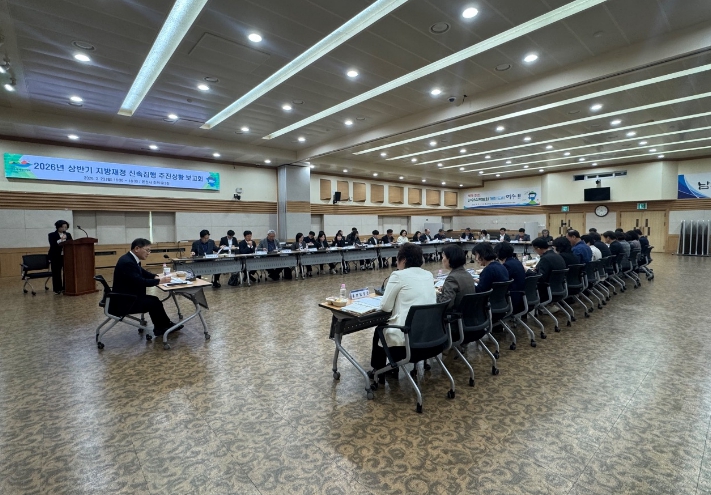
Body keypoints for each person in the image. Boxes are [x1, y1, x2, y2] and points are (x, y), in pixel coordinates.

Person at [371, 243, 436, 378]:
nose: (396, 262)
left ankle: (378, 371)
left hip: (407, 339)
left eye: (397, 259)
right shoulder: (429, 275)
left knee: (380, 329)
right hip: (429, 335)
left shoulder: (398, 275)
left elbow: (385, 307)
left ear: (404, 260)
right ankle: (391, 368)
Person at [112, 238, 180, 336]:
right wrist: (159, 281)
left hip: (128, 296)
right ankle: (161, 328)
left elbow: (142, 272)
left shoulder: (131, 259)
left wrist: (154, 276)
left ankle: (164, 325)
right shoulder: (127, 262)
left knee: (154, 301)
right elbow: (140, 281)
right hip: (125, 301)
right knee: (154, 302)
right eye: (147, 250)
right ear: (137, 249)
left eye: (150, 251)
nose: (149, 253)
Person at [436, 244, 475, 310]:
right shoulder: (468, 274)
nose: (442, 260)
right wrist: (445, 289)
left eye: (443, 257)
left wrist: (437, 295)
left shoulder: (452, 278)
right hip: (469, 312)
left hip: (456, 313)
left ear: (450, 259)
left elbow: (446, 304)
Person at [495, 242, 526, 312]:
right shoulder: (517, 262)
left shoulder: (507, 265)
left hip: (512, 299)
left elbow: (500, 282)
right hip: (521, 296)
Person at [48, 219, 73, 294]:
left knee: (67, 272)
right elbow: (53, 244)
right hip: (55, 256)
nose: (64, 228)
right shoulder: (52, 235)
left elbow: (71, 243)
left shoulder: (68, 234)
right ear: (58, 227)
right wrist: (60, 240)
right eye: (63, 227)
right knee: (56, 272)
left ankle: (66, 287)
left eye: (66, 227)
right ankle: (57, 288)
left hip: (66, 256)